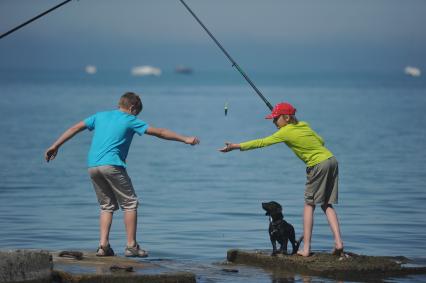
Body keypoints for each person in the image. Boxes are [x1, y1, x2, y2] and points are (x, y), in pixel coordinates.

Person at [45, 92, 199, 257]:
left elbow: (74, 128)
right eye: (136, 113)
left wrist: (56, 146)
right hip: (112, 165)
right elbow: (160, 132)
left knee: (106, 206)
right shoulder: (130, 119)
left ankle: (103, 246)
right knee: (130, 203)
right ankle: (131, 246)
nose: (136, 116)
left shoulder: (99, 116)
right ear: (132, 108)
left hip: (93, 166)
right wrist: (185, 139)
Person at [219, 102, 343, 257]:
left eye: (276, 119)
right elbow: (321, 141)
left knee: (309, 205)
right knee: (326, 204)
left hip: (317, 165)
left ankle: (305, 249)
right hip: (331, 160)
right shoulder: (304, 125)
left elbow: (262, 142)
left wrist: (236, 146)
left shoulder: (285, 132)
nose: (273, 122)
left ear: (287, 117)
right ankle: (338, 243)